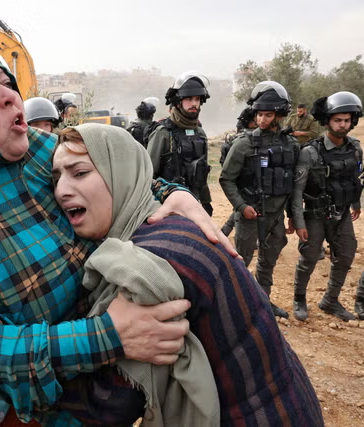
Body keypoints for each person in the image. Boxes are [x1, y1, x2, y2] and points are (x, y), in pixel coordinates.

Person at [0, 41, 236, 427]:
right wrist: (105, 336)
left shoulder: (36, 150)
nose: (10, 97)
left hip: (94, 384)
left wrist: (171, 194)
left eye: (6, 83)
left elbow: (110, 169)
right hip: (21, 407)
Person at [52, 123, 323, 427]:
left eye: (79, 173)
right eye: (56, 177)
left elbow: (110, 404)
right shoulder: (171, 223)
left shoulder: (145, 267)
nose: (61, 190)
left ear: (121, 174)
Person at [219, 81, 299, 319]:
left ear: (279, 115)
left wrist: (294, 216)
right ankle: (237, 308)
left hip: (275, 217)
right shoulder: (244, 144)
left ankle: (263, 303)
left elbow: (293, 185)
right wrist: (242, 207)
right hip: (250, 216)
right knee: (240, 264)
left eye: (269, 114)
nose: (263, 120)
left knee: (268, 263)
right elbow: (226, 179)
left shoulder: (291, 145)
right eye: (260, 114)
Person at [290, 91, 363, 321]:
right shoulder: (310, 152)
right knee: (310, 257)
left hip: (341, 213)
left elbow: (354, 179)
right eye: (337, 120)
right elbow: (297, 190)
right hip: (315, 215)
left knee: (346, 255)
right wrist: (299, 222)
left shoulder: (355, 148)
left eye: (347, 120)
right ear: (328, 121)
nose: (342, 125)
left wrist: (356, 203)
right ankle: (299, 297)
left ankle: (330, 300)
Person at [147, 71, 213, 216]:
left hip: (195, 206)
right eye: (189, 99)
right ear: (178, 101)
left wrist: (206, 202)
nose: (194, 103)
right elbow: (148, 176)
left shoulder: (200, 134)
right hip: (169, 208)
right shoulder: (163, 133)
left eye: (197, 99)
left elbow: (202, 174)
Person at [220, 107, 258, 236]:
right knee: (242, 207)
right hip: (245, 180)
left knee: (240, 206)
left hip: (238, 178)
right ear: (251, 122)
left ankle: (225, 230)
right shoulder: (247, 139)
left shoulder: (238, 135)